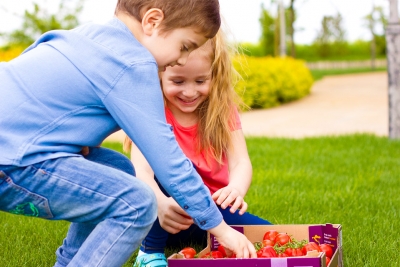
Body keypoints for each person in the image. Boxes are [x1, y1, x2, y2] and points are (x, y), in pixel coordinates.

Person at [0, 1, 257, 266]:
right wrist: (221, 228)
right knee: (137, 203)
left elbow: (33, 65)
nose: (181, 59)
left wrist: (68, 139)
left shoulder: (87, 35)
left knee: (121, 168)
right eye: (184, 46)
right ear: (152, 21)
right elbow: (169, 163)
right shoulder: (134, 65)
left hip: (13, 146)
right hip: (14, 160)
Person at [124, 29, 272, 267]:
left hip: (212, 214)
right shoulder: (153, 113)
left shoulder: (222, 110)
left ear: (215, 75)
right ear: (159, 74)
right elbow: (141, 172)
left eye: (200, 81)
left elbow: (240, 162)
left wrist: (235, 188)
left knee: (267, 235)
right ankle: (149, 253)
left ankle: (208, 238)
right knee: (168, 171)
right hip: (165, 215)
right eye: (178, 81)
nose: (190, 92)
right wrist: (160, 205)